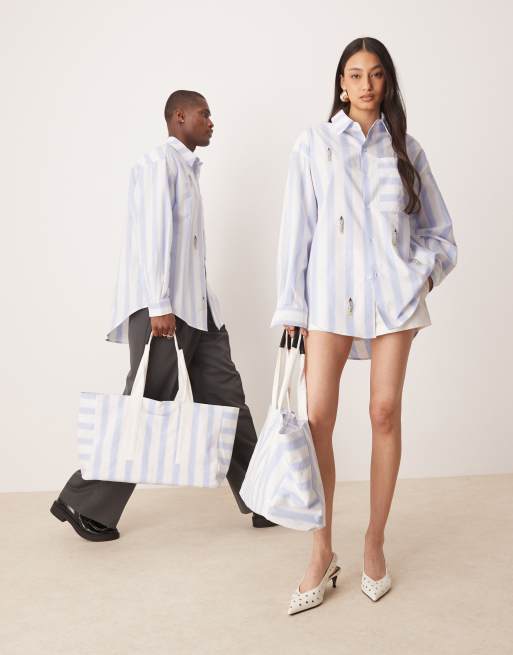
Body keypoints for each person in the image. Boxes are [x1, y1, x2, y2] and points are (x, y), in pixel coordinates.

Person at [270, 38, 457, 613]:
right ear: (342, 83)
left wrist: (420, 277)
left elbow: (440, 233)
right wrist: (291, 309)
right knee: (317, 420)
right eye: (355, 75)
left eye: (376, 74)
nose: (366, 85)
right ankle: (320, 551)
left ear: (387, 82)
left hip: (392, 302)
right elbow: (296, 232)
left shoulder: (407, 150)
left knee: (384, 412)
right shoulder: (314, 144)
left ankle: (374, 542)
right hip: (328, 299)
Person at [51, 90, 275, 540]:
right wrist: (158, 305)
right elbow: (152, 237)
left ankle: (262, 496)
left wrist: (204, 309)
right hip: (166, 313)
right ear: (179, 117)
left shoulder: (188, 170)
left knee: (229, 404)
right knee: (145, 407)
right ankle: (82, 500)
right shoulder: (159, 165)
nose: (211, 121)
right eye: (204, 114)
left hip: (199, 314)